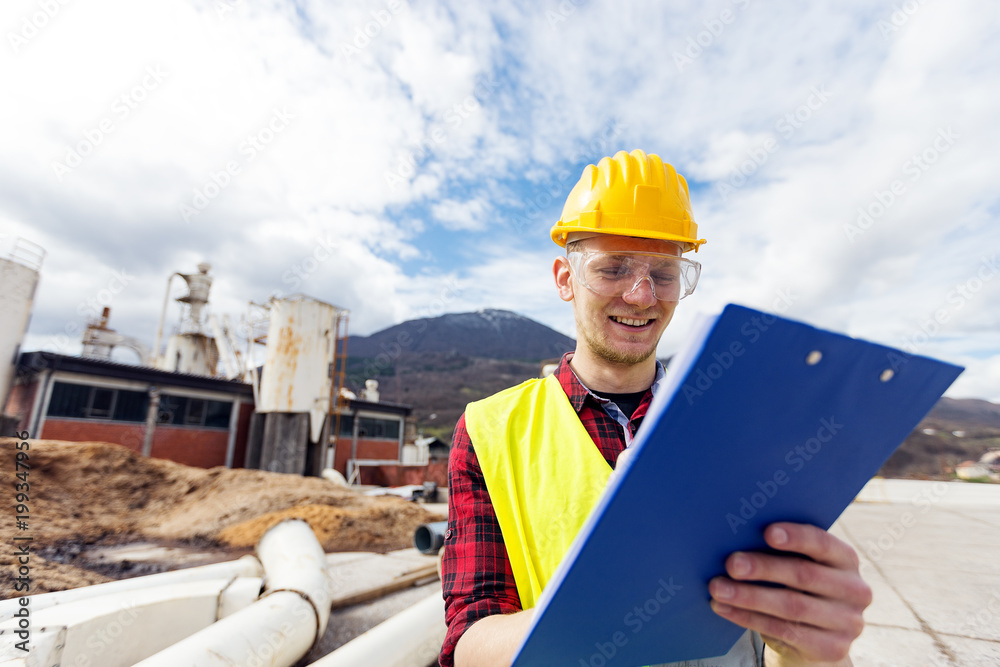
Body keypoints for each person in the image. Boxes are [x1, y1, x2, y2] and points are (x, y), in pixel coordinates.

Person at [440, 149, 872, 667]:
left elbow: (784, 635)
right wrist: (597, 608)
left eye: (664, 273)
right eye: (613, 268)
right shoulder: (490, 430)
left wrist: (819, 649)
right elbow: (468, 641)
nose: (642, 296)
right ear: (564, 279)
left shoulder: (742, 426)